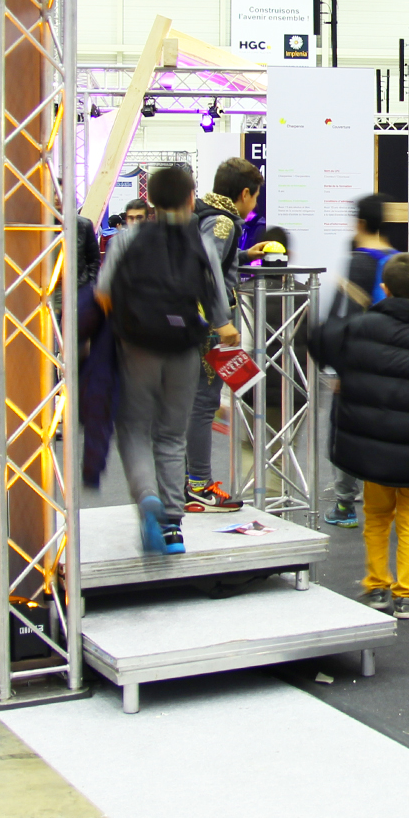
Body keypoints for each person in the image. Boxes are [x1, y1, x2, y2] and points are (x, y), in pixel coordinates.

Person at [94, 166, 240, 557]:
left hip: (137, 346)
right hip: (184, 346)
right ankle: (174, 525)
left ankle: (148, 501)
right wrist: (225, 329)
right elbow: (216, 297)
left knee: (135, 430)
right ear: (191, 197)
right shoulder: (200, 241)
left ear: (151, 201)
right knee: (172, 435)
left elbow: (104, 292)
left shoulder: (128, 239)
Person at [310, 252, 409, 619]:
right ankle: (407, 594)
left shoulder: (360, 327)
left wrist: (349, 295)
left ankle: (377, 587)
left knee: (377, 516)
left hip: (374, 447)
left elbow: (317, 340)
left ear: (384, 288)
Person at [181, 157, 264, 514]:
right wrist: (220, 321)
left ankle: (191, 481)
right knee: (204, 403)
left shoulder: (208, 216)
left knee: (198, 403)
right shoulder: (223, 223)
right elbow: (204, 270)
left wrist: (243, 255)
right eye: (256, 197)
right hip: (204, 326)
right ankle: (199, 485)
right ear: (244, 193)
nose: (255, 205)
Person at [325, 193, 401, 527]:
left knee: (345, 429)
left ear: (358, 222)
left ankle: (344, 505)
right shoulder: (399, 260)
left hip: (363, 360)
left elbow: (350, 318)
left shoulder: (359, 261)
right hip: (394, 359)